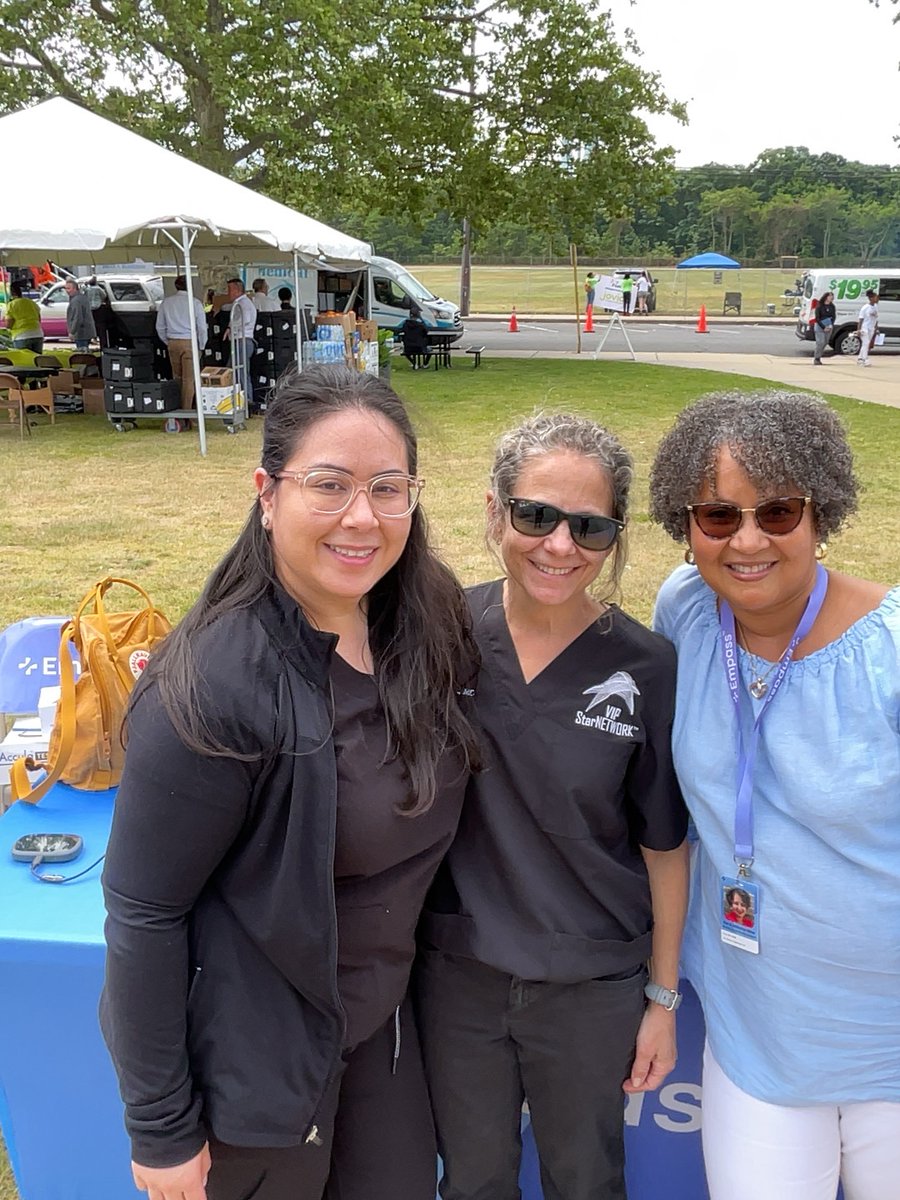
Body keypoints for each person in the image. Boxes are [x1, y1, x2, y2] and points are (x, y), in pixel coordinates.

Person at [100, 364, 481, 1200]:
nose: (362, 517)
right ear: (267, 493)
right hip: (257, 1072)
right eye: (329, 485)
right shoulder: (211, 685)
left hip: (381, 1036)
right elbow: (144, 913)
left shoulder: (424, 620)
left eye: (389, 488)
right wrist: (161, 1129)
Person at [417, 412, 689, 1200]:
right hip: (457, 977)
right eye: (536, 516)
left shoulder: (646, 668)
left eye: (590, 527)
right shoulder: (436, 633)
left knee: (587, 1180)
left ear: (616, 536)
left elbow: (665, 846)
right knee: (471, 1181)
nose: (560, 546)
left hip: (590, 987)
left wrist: (662, 999)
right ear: (496, 510)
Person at [650, 390, 900, 1200]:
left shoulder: (890, 652)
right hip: (755, 1036)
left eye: (779, 511)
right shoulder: (683, 613)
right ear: (685, 525)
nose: (749, 540)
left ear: (821, 512)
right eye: (718, 516)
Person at [155, 275, 209, 408]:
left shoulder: (166, 302)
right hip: (189, 342)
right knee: (189, 380)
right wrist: (202, 345)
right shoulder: (195, 302)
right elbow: (202, 327)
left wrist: (167, 341)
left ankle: (176, 406)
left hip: (173, 342)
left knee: (177, 378)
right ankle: (187, 412)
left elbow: (160, 326)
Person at [224, 277, 257, 405]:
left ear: (237, 290)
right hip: (240, 340)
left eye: (230, 290)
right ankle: (240, 399)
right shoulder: (239, 304)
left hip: (242, 340)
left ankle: (246, 400)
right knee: (235, 370)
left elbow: (245, 319)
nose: (228, 293)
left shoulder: (244, 304)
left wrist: (232, 327)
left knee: (240, 371)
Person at [5, 281, 43, 353]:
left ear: (12, 293)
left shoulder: (11, 305)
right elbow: (39, 319)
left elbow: (8, 324)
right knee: (37, 360)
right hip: (38, 334)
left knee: (24, 362)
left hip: (21, 336)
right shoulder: (32, 303)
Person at [64, 277, 95, 351]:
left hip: (81, 333)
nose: (66, 291)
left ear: (75, 288)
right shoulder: (82, 297)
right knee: (85, 353)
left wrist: (72, 332)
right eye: (66, 288)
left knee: (81, 355)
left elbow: (77, 317)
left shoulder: (76, 300)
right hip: (86, 332)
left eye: (68, 288)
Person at [399, 305, 431, 370]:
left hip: (408, 347)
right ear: (418, 315)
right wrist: (421, 319)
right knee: (430, 351)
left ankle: (414, 363)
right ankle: (425, 364)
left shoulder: (405, 324)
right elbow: (426, 332)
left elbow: (402, 331)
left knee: (406, 352)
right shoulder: (420, 325)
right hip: (420, 348)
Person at [856, 289, 879, 366]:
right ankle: (865, 359)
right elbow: (861, 319)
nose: (877, 299)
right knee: (866, 343)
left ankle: (860, 358)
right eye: (876, 297)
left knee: (865, 344)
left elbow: (876, 319)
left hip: (871, 328)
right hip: (864, 328)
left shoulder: (876, 306)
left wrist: (876, 328)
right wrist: (859, 330)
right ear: (871, 298)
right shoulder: (865, 307)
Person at [813, 290, 836, 364]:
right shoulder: (820, 306)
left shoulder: (832, 306)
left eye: (832, 296)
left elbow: (833, 316)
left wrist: (830, 325)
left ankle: (819, 355)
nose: (831, 297)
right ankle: (816, 358)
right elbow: (817, 318)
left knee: (825, 342)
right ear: (826, 297)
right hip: (820, 326)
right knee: (820, 342)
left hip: (828, 325)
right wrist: (823, 327)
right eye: (830, 296)